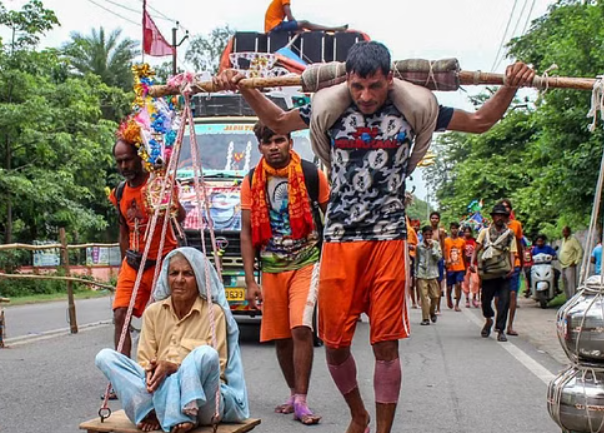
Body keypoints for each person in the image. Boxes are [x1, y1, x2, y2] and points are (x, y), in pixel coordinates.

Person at [216, 41, 535, 433]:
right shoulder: (330, 111)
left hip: (387, 238)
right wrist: (243, 87)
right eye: (357, 87)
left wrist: (511, 85)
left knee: (385, 345)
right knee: (334, 347)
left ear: (389, 80)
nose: (365, 97)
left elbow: (482, 120)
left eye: (374, 87)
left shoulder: (413, 111)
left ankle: (380, 430)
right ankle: (358, 414)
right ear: (348, 82)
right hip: (337, 239)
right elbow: (279, 122)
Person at [95, 247, 250, 433]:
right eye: (174, 273)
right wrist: (154, 371)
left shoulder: (213, 313)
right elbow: (144, 362)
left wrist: (173, 367)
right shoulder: (153, 312)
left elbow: (219, 366)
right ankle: (156, 411)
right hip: (159, 392)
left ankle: (184, 413)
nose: (179, 280)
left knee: (206, 353)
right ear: (166, 278)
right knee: (105, 357)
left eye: (188, 274)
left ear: (199, 278)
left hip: (204, 402)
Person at [239, 122, 329, 425]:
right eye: (268, 143)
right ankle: (293, 393)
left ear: (290, 142)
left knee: (300, 328)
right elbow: (247, 231)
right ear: (260, 147)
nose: (274, 147)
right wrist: (251, 281)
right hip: (271, 268)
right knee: (280, 336)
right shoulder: (251, 180)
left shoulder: (312, 174)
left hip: (306, 261)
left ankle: (302, 400)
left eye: (279, 140)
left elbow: (333, 218)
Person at [110, 126, 186, 364]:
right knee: (121, 314)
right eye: (119, 161)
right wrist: (125, 262)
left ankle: (157, 369)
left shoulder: (160, 184)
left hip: (161, 264)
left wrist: (170, 203)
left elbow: (179, 217)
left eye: (128, 160)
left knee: (160, 319)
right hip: (133, 265)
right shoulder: (120, 192)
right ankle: (123, 373)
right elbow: (123, 228)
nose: (124, 166)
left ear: (140, 157)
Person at [472, 204, 517, 342]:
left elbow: (512, 251)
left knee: (504, 301)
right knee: (486, 300)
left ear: (505, 218)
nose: (499, 218)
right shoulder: (485, 232)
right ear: (493, 217)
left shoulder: (509, 234)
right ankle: (488, 319)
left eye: (502, 216)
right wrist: (472, 263)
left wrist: (512, 267)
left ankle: (501, 329)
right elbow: (477, 248)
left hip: (503, 272)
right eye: (497, 215)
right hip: (488, 272)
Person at [500, 199, 524, 337]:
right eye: (503, 208)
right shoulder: (495, 225)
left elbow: (519, 244)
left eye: (508, 207)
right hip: (500, 265)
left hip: (514, 263)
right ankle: (500, 321)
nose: (506, 210)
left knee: (513, 294)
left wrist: (521, 262)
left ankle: (510, 325)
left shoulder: (516, 225)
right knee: (498, 298)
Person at [264, 0, 348, 34]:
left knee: (303, 26)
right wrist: (298, 27)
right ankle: (333, 29)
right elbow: (290, 18)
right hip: (275, 26)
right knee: (305, 23)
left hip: (274, 26)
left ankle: (332, 29)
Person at [416, 226, 442, 325]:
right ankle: (425, 318)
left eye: (429, 235)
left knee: (435, 296)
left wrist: (432, 249)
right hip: (422, 273)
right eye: (425, 235)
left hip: (432, 273)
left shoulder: (436, 245)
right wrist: (416, 274)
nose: (427, 237)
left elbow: (439, 258)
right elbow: (417, 261)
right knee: (424, 297)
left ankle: (432, 311)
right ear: (422, 235)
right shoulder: (419, 246)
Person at [444, 222, 466, 312]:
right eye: (453, 228)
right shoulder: (446, 241)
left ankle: (457, 304)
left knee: (458, 284)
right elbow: (444, 252)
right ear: (450, 229)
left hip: (460, 266)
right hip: (450, 267)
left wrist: (465, 267)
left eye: (456, 228)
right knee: (449, 287)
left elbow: (464, 254)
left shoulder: (462, 241)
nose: (454, 230)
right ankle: (449, 298)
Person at [558, 226, 583, 298]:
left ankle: (573, 301)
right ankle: (568, 300)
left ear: (569, 232)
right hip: (563, 265)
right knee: (565, 284)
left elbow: (580, 250)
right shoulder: (563, 240)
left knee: (571, 285)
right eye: (563, 231)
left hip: (570, 265)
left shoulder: (573, 240)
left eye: (565, 231)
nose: (564, 233)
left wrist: (576, 261)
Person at [429, 212, 446, 313]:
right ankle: (431, 305)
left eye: (436, 218)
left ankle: (438, 307)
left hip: (438, 259)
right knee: (430, 283)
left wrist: (445, 260)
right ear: (430, 219)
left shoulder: (441, 232)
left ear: (439, 219)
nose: (434, 220)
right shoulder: (427, 231)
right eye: (432, 218)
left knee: (438, 283)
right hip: (429, 260)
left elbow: (443, 246)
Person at [461, 226, 480, 308]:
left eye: (468, 232)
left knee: (476, 281)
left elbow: (477, 251)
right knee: (465, 282)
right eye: (465, 232)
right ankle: (467, 298)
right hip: (465, 264)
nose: (467, 233)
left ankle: (474, 297)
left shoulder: (474, 241)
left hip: (474, 264)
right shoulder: (462, 241)